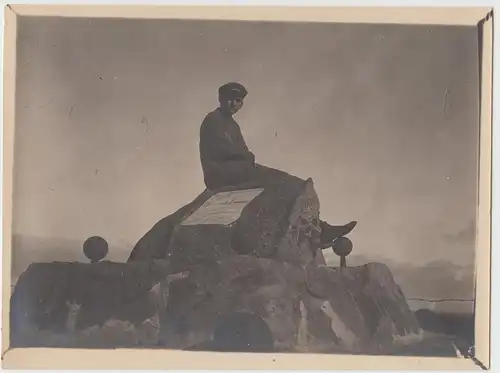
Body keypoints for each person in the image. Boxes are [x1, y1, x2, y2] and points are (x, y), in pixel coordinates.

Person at [199, 82, 357, 246]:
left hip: (238, 169)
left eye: (238, 101)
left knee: (286, 182)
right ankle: (319, 229)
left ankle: (320, 228)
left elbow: (242, 151)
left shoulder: (233, 125)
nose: (234, 104)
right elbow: (225, 149)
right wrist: (246, 156)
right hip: (221, 172)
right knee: (279, 181)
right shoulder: (213, 120)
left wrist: (246, 156)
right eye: (230, 99)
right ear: (221, 99)